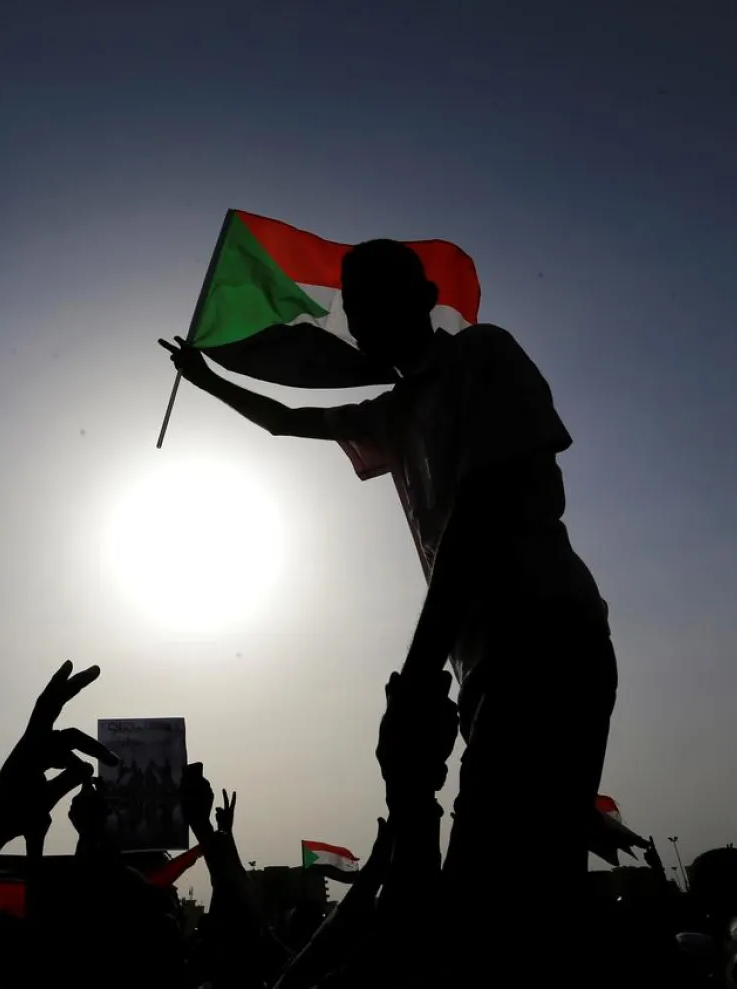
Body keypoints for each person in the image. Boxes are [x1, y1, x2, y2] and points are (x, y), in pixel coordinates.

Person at [160, 238, 616, 969]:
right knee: (507, 897)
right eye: (353, 306)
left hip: (545, 632)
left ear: (424, 294)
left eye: (372, 298)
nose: (360, 319)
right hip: (480, 668)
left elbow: (481, 508)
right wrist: (206, 378)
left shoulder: (482, 357)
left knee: (495, 906)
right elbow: (286, 421)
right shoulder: (396, 410)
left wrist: (417, 678)